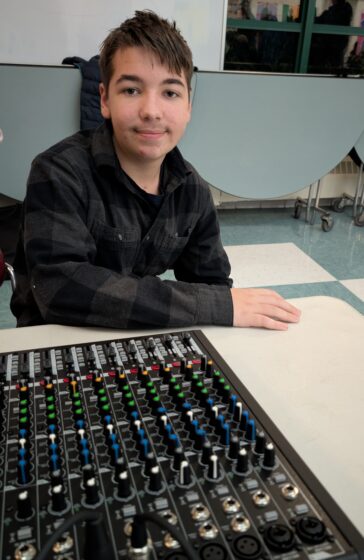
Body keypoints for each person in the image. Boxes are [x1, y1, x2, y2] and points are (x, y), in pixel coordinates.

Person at [11, 10, 300, 331]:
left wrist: (217, 305)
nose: (151, 111)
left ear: (189, 105)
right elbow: (62, 289)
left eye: (170, 92)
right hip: (51, 341)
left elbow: (212, 285)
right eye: (131, 90)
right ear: (105, 100)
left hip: (137, 334)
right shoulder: (58, 172)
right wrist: (211, 304)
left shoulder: (192, 191)